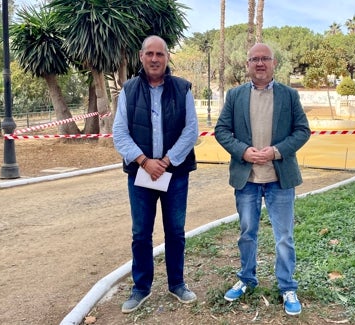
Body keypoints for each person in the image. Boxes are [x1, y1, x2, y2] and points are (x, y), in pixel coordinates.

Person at [214, 43, 311, 316]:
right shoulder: (234, 96)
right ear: (247, 64)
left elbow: (302, 130)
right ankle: (246, 279)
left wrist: (276, 151)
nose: (259, 63)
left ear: (274, 63)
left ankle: (287, 286)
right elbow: (222, 130)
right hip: (247, 179)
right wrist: (243, 152)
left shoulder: (289, 96)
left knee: (284, 237)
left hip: (280, 178)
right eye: (254, 59)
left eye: (264, 59)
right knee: (247, 234)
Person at [113, 35, 199, 314]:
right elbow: (120, 133)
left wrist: (165, 161)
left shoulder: (183, 88)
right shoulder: (128, 89)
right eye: (149, 53)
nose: (154, 59)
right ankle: (141, 288)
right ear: (141, 57)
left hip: (175, 174)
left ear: (167, 57)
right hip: (140, 174)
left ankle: (177, 283)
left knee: (175, 231)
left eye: (159, 54)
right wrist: (144, 161)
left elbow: (191, 131)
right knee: (141, 233)